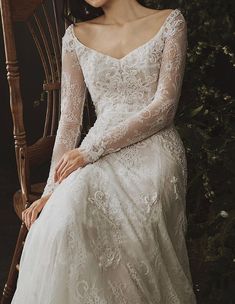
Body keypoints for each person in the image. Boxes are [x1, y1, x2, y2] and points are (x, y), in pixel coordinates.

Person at [11, 0, 197, 303]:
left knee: (135, 223)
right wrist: (50, 190)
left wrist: (91, 150)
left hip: (152, 150)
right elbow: (69, 122)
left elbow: (164, 109)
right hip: (93, 156)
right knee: (64, 213)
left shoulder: (170, 23)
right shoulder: (74, 36)